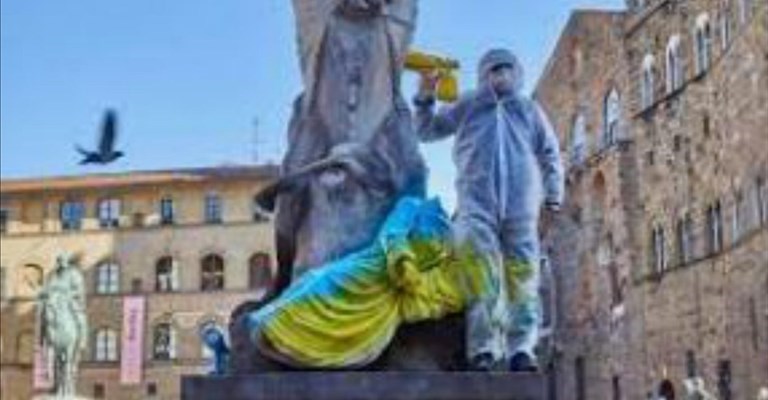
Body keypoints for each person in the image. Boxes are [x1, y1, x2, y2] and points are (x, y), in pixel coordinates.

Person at [412, 48, 564, 371]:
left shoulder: (528, 110)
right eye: (495, 69)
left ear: (518, 72)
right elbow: (425, 131)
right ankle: (483, 349)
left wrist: (553, 198)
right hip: (475, 204)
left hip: (521, 209)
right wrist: (426, 96)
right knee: (480, 276)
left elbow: (550, 155)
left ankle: (522, 350)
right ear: (483, 74)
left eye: (508, 68)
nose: (501, 74)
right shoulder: (467, 105)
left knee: (523, 276)